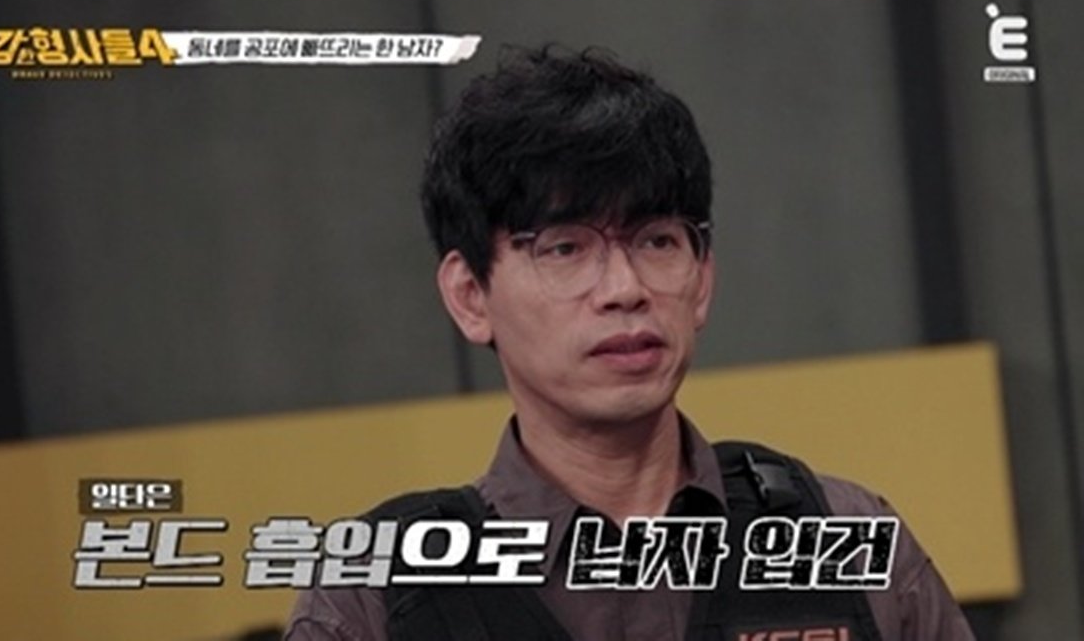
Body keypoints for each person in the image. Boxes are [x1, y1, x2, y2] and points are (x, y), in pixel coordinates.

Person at [284, 45, 974, 640]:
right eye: (564, 248)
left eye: (657, 241)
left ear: (702, 280)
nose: (624, 288)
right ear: (470, 295)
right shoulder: (375, 598)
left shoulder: (844, 538)